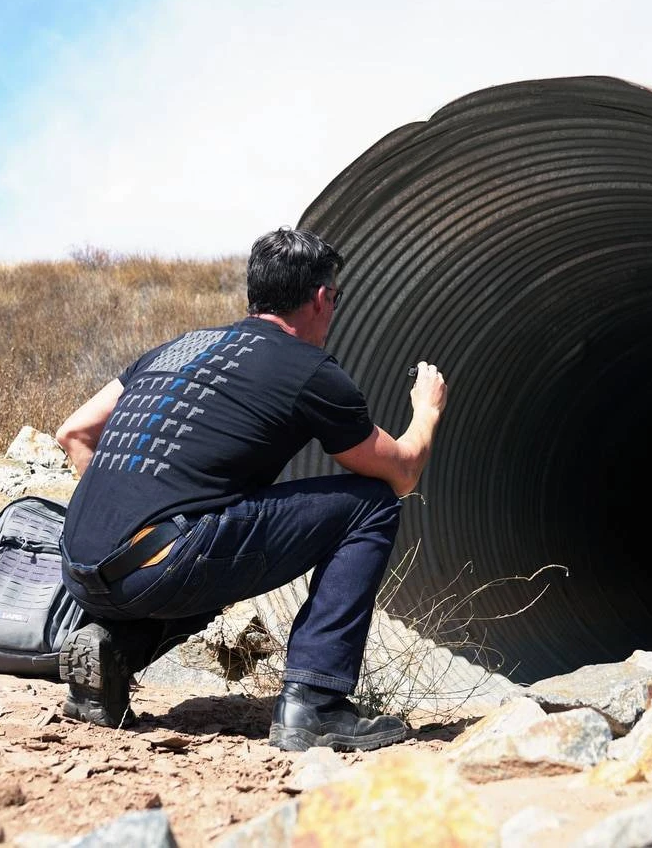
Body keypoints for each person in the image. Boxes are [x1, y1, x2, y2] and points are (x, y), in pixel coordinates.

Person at [55, 227, 447, 752]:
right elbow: (401, 473)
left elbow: (74, 432)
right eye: (338, 299)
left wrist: (132, 517)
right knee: (369, 505)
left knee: (205, 533)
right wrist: (426, 411)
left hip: (80, 568)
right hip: (165, 563)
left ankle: (115, 648)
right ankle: (316, 702)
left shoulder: (178, 346)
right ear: (323, 297)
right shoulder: (311, 370)